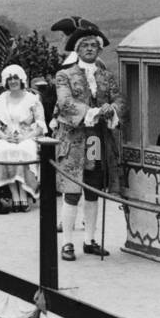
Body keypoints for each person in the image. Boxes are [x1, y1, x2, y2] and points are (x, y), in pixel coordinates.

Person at [53, 21, 125, 261]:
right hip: (74, 140)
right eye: (85, 45)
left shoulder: (106, 76)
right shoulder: (64, 75)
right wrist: (92, 112)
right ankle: (67, 243)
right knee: (72, 191)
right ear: (77, 49)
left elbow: (119, 101)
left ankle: (90, 240)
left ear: (99, 50)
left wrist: (110, 109)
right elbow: (64, 103)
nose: (90, 49)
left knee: (93, 188)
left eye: (94, 45)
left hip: (96, 141)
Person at [0, 64, 46, 214]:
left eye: (16, 78)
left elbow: (40, 126)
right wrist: (5, 137)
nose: (13, 81)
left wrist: (26, 136)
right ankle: (15, 194)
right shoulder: (1, 100)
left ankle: (24, 193)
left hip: (28, 136)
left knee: (25, 150)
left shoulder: (33, 99)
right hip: (7, 136)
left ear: (22, 80)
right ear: (6, 81)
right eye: (10, 79)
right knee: (4, 149)